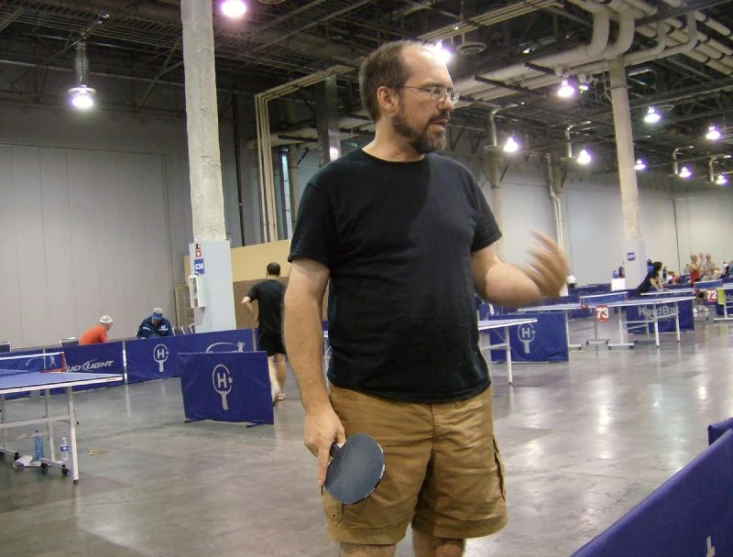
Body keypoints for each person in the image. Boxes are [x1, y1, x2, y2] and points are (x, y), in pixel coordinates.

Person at [283, 40, 567, 557]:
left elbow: (488, 274)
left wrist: (536, 287)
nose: (449, 103)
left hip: (463, 398)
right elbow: (303, 294)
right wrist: (316, 407)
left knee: (447, 542)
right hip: (373, 403)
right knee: (368, 544)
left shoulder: (458, 180)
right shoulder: (333, 186)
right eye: (434, 90)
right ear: (387, 97)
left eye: (451, 92)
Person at [242, 262, 287, 404]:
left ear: (266, 272)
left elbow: (245, 301)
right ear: (279, 274)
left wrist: (254, 314)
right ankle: (280, 392)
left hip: (265, 329)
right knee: (281, 360)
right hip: (282, 330)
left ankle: (274, 386)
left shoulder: (259, 287)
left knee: (268, 361)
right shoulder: (284, 288)